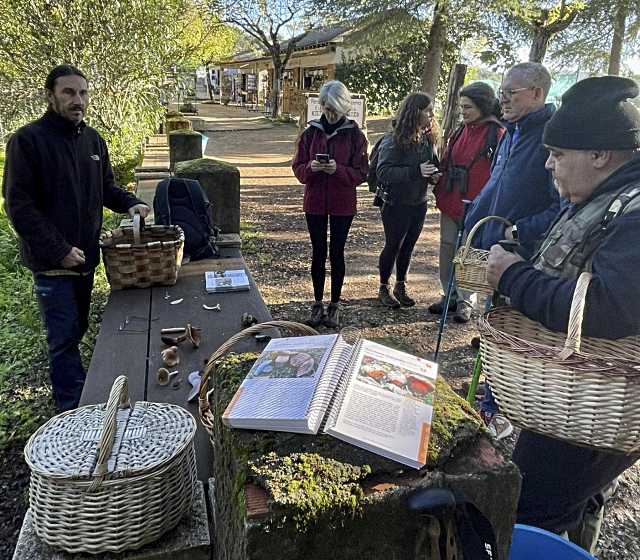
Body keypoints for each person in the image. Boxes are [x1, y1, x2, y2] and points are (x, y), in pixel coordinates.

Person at [486, 75, 640, 553]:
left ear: (600, 155)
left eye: (558, 154)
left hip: (597, 404)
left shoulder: (635, 212)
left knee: (532, 508)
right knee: (576, 501)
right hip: (580, 394)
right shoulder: (607, 196)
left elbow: (608, 309)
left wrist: (513, 278)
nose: (548, 164)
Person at [2, 64, 149, 412]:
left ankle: (78, 394)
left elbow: (106, 188)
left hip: (86, 260)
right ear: (50, 96)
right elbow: (19, 207)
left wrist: (133, 203)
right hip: (53, 266)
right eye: (68, 92)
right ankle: (72, 411)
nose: (77, 100)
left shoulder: (93, 140)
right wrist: (59, 249)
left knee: (77, 330)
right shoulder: (27, 141)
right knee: (63, 340)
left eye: (83, 93)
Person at [464, 62, 561, 439]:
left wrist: (519, 231)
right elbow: (498, 184)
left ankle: (496, 409)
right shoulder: (510, 132)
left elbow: (560, 207)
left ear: (537, 93)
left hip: (523, 257)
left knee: (512, 336)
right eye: (502, 89)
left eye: (511, 91)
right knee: (491, 327)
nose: (501, 97)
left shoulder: (551, 137)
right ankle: (488, 401)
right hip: (492, 249)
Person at [292, 80, 368, 328]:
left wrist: (338, 170)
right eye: (326, 108)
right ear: (321, 106)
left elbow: (361, 173)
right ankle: (317, 303)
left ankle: (334, 305)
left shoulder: (356, 136)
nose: (330, 113)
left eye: (334, 108)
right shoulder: (309, 133)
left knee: (337, 253)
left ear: (344, 106)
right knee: (317, 252)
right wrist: (311, 168)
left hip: (342, 204)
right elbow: (298, 168)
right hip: (314, 201)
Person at [430, 82, 505, 323]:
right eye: (462, 106)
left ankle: (465, 300)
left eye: (468, 107)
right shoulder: (460, 131)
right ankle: (449, 294)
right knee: (447, 247)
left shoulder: (497, 133)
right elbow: (447, 159)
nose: (463, 111)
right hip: (451, 197)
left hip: (476, 204)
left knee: (468, 252)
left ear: (482, 106)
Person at [375, 92, 440, 308]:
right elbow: (383, 172)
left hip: (418, 202)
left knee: (408, 247)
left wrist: (434, 175)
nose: (432, 115)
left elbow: (433, 164)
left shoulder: (428, 138)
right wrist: (416, 171)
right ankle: (383, 287)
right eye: (428, 111)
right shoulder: (393, 139)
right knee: (393, 245)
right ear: (415, 112)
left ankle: (400, 285)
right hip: (395, 203)